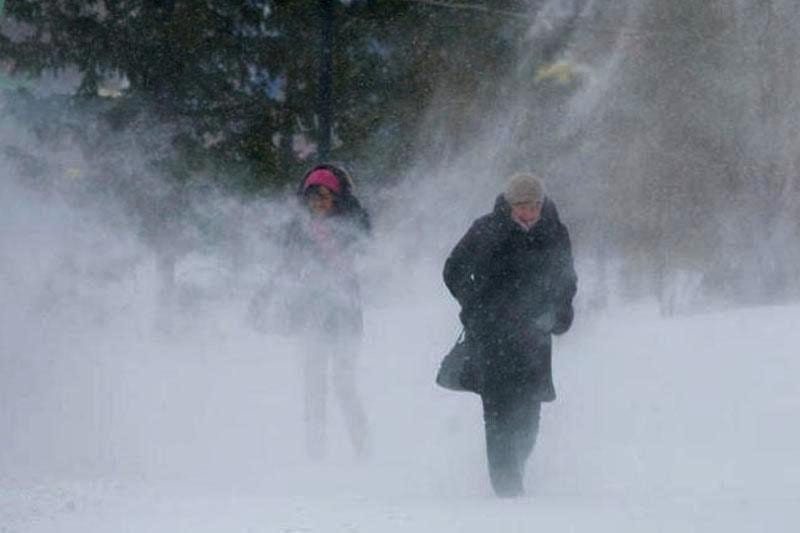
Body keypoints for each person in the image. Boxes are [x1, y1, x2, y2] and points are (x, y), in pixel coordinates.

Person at [443, 173, 577, 497]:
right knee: (498, 413)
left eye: (533, 206)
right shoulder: (486, 229)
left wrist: (558, 313)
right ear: (509, 205)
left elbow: (567, 279)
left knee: (529, 418)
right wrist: (475, 305)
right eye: (521, 206)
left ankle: (515, 472)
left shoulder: (555, 233)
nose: (527, 212)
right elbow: (453, 269)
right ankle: (506, 493)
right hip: (492, 337)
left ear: (541, 205)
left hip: (534, 337)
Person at [281, 163, 371, 459]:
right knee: (314, 386)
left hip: (344, 318)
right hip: (311, 317)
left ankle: (363, 449)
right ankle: (315, 452)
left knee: (344, 384)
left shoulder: (352, 223)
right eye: (312, 198)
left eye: (324, 196)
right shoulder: (298, 228)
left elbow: (367, 250)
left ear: (337, 198)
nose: (318, 203)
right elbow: (289, 265)